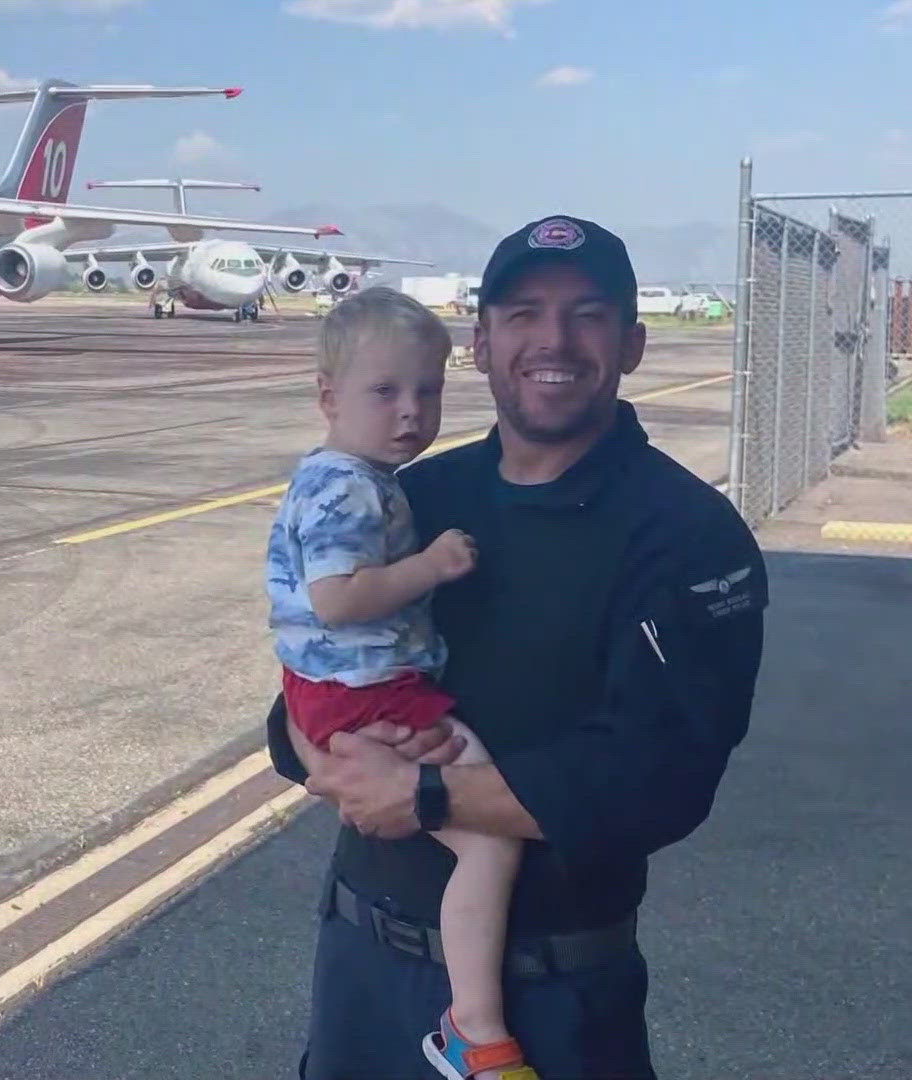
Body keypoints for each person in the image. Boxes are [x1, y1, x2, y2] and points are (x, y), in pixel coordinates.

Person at [265, 215, 768, 1079]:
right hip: (361, 966)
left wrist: (424, 796)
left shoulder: (688, 536)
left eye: (589, 313)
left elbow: (663, 779)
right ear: (483, 343)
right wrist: (318, 751)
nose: (554, 341)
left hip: (549, 1000)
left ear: (633, 343)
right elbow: (315, 666)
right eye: (523, 313)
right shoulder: (415, 493)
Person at [267, 286, 534, 1080]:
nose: (411, 411)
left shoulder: (351, 476)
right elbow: (337, 598)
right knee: (489, 837)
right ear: (328, 396)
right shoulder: (349, 485)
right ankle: (475, 1028)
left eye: (429, 390)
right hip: (369, 688)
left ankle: (472, 1023)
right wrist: (432, 565)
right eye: (385, 392)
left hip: (339, 687)